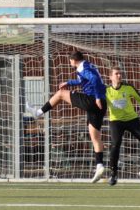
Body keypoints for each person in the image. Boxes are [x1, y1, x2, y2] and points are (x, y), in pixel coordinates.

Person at [35, 51, 107, 183]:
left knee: (61, 94)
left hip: (92, 100)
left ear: (73, 60)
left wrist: (96, 97)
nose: (70, 63)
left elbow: (95, 80)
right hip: (102, 103)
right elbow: (82, 81)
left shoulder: (82, 67)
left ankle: (38, 112)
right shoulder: (88, 65)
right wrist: (69, 82)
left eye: (70, 61)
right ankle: (99, 165)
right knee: (95, 136)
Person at [105, 67, 140, 187]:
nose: (119, 76)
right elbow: (98, 101)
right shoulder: (106, 91)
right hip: (116, 121)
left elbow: (139, 98)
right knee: (115, 144)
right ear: (110, 77)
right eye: (116, 74)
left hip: (132, 119)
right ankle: (113, 174)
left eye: (120, 74)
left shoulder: (128, 88)